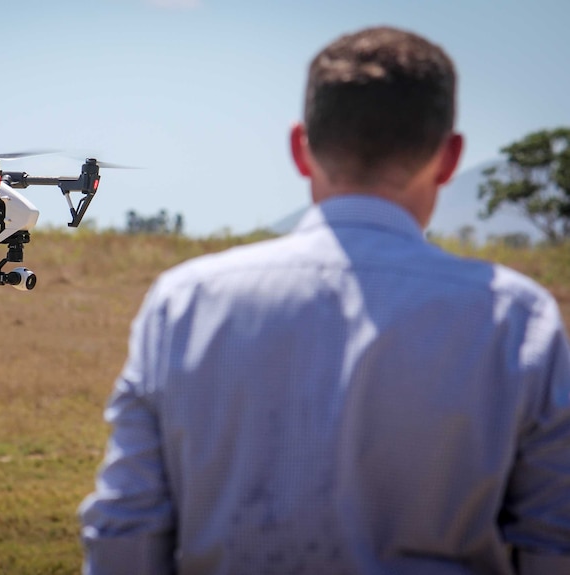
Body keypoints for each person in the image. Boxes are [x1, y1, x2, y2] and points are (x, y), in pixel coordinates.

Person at [79, 26, 570, 574]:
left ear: (300, 147)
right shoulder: (517, 318)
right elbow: (553, 540)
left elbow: (125, 529)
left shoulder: (183, 303)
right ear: (450, 157)